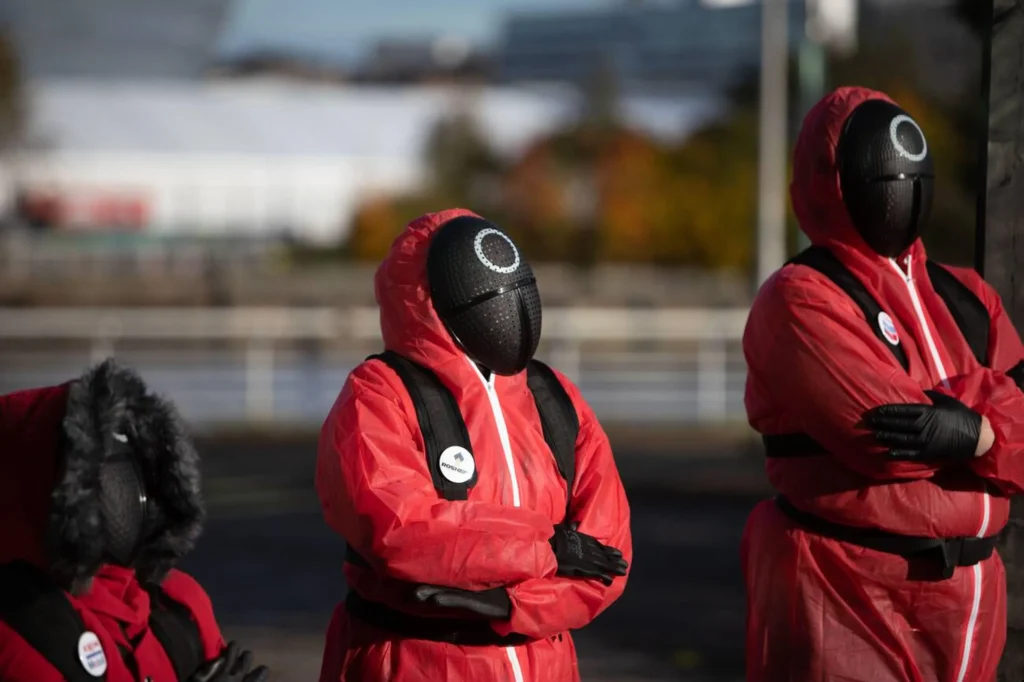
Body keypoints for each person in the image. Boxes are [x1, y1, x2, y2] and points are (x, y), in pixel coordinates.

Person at [741, 84, 1024, 682]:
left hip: (971, 601)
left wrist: (971, 432)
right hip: (845, 591)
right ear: (832, 179)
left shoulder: (970, 297)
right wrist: (994, 424)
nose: (898, 182)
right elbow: (883, 437)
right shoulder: (800, 296)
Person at [316, 208, 631, 682]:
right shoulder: (379, 393)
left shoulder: (556, 399)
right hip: (412, 663)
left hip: (547, 663)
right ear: (437, 291)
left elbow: (609, 556)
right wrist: (546, 545)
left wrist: (514, 604)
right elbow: (398, 529)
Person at [0, 359, 269, 682]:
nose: (126, 496)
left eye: (134, 471)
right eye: (100, 478)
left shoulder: (179, 608)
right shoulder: (24, 633)